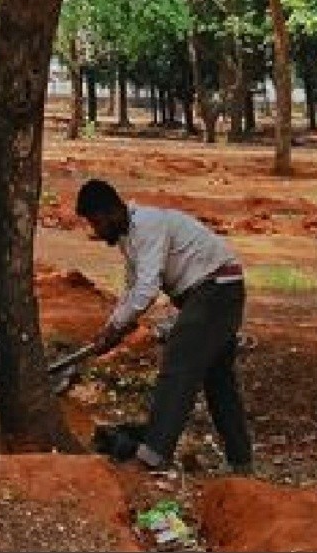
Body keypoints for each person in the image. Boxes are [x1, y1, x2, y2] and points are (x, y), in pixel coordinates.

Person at [74, 178, 253, 475]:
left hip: (216, 288)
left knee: (178, 365)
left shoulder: (147, 225)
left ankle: (152, 455)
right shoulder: (128, 238)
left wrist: (117, 327)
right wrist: (111, 329)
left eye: (96, 222)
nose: (96, 230)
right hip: (212, 291)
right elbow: (132, 288)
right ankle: (241, 461)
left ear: (111, 212)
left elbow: (147, 289)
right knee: (218, 379)